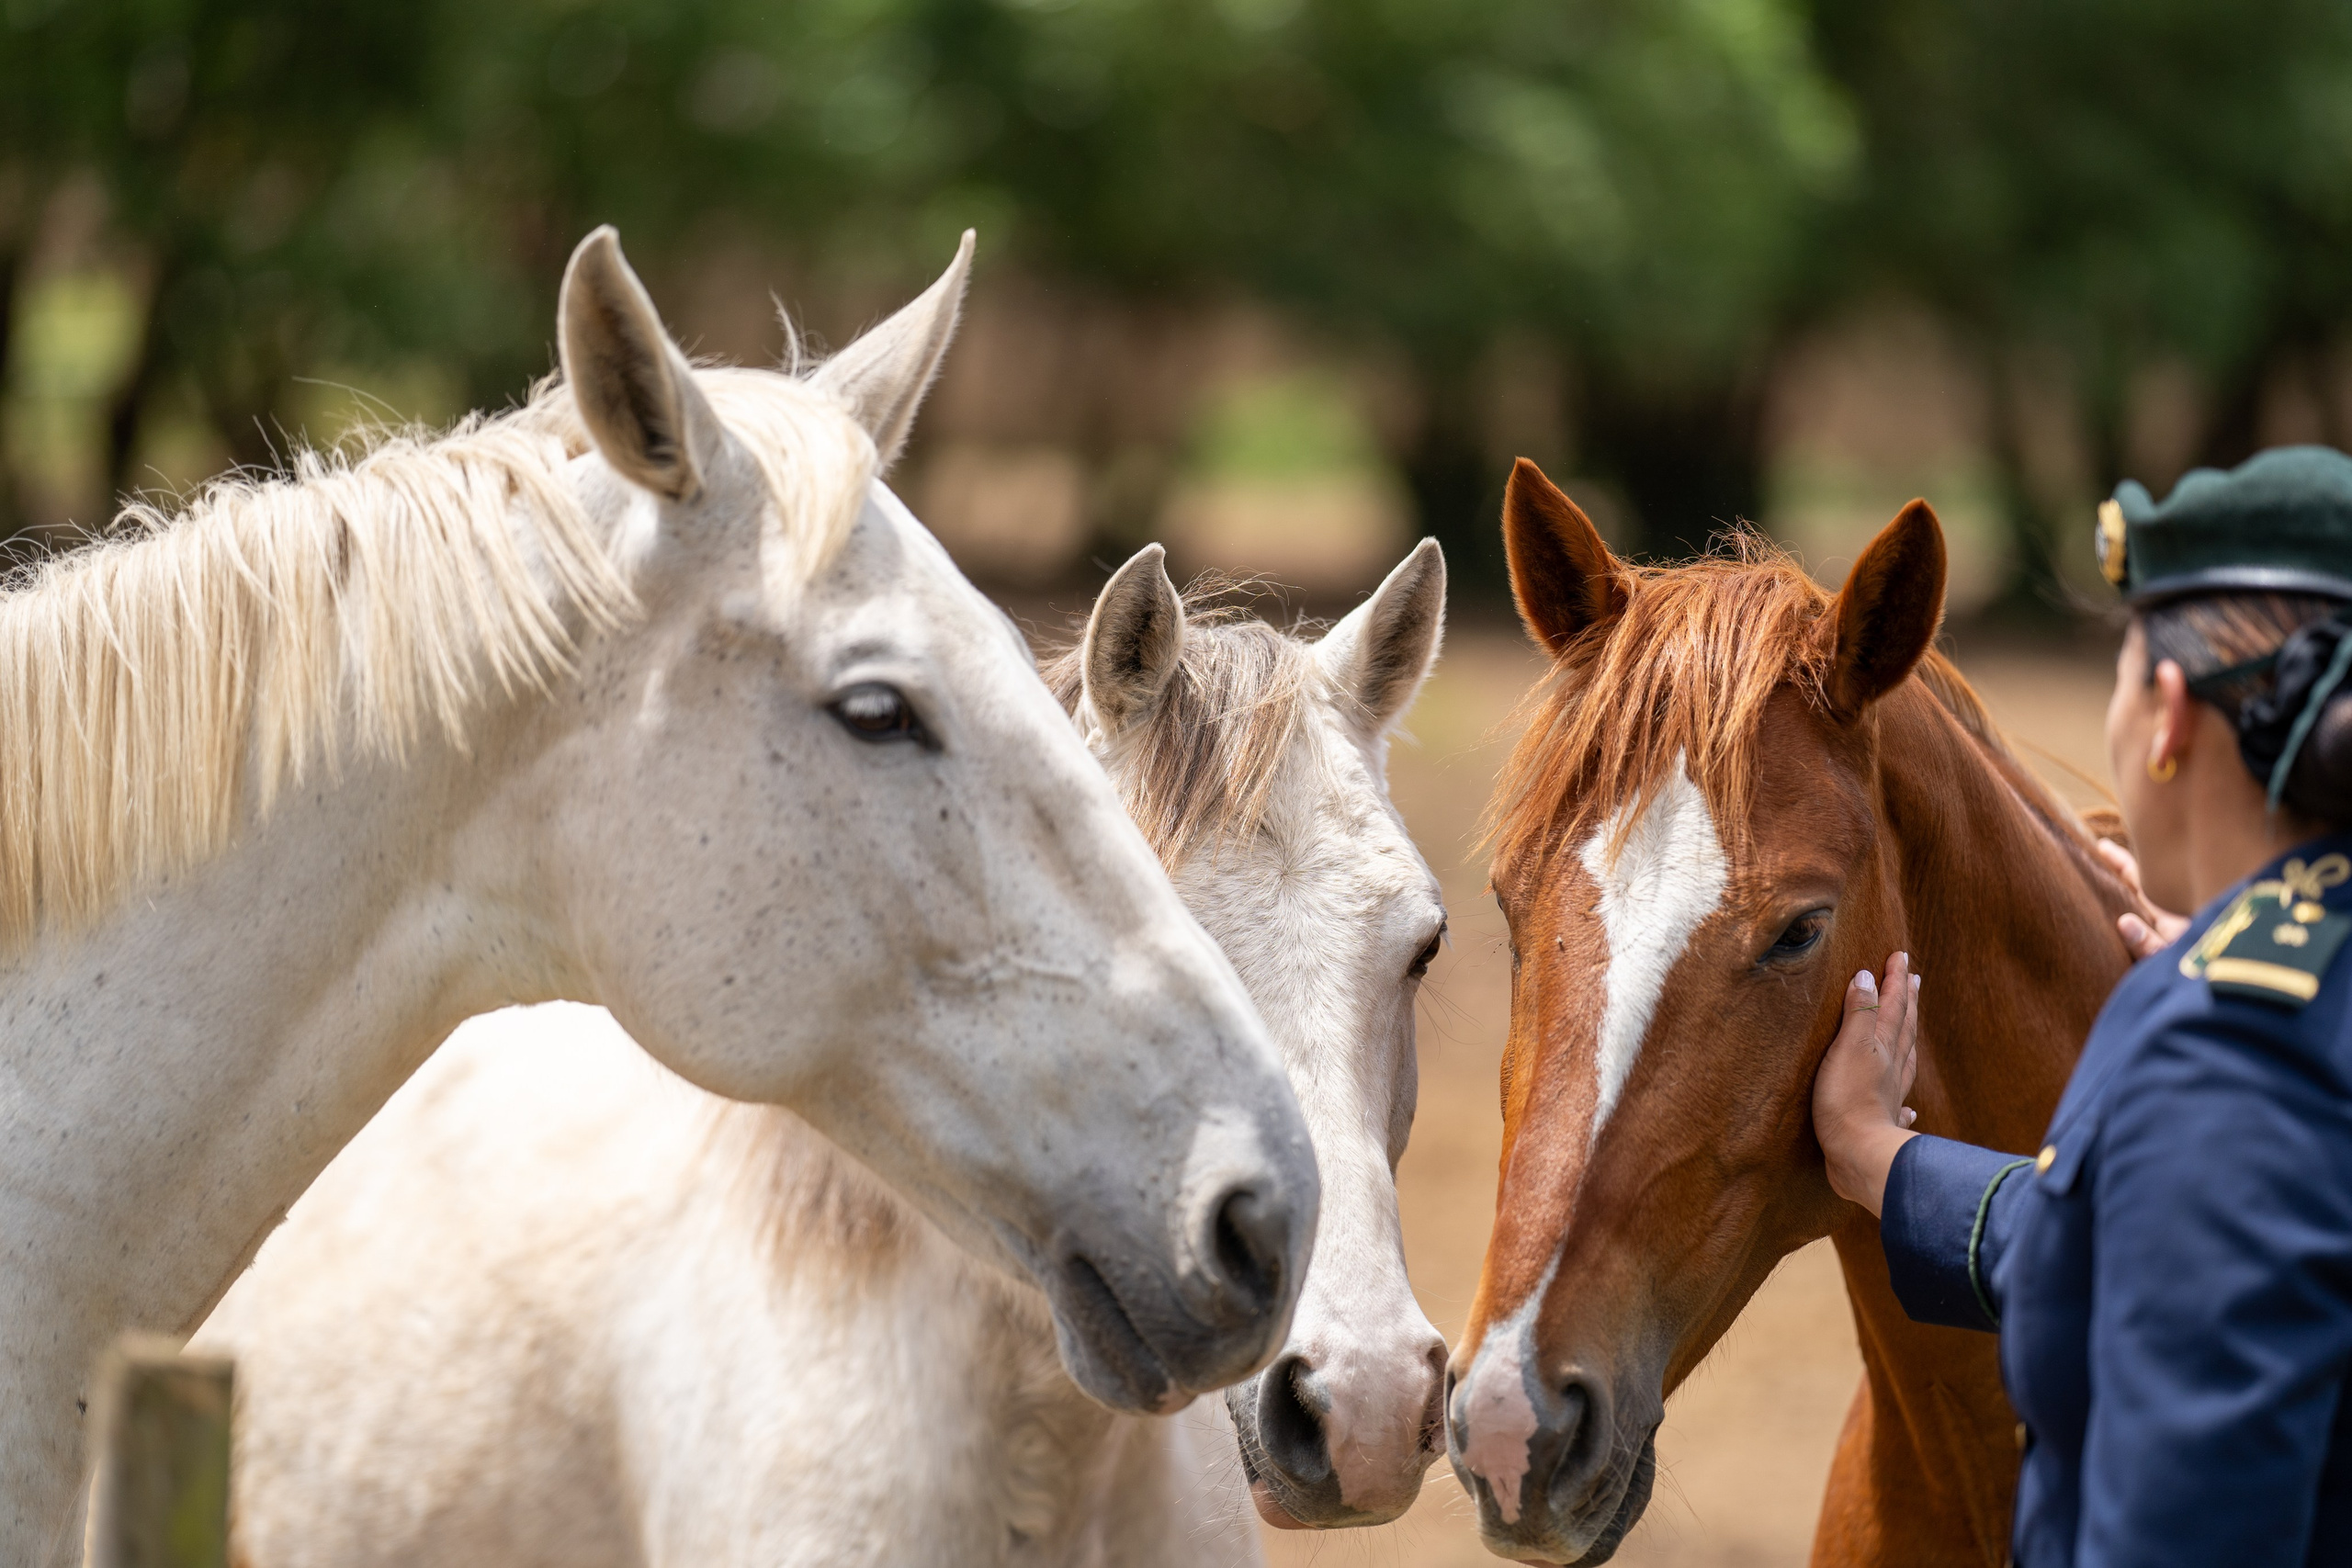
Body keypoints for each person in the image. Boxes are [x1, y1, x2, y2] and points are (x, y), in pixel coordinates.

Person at [1813, 446, 2352, 1567]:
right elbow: (2138, 1252)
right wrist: (1881, 1160)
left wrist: (2216, 1015)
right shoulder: (2281, 1000)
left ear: (2167, 715)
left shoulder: (2230, 1061)